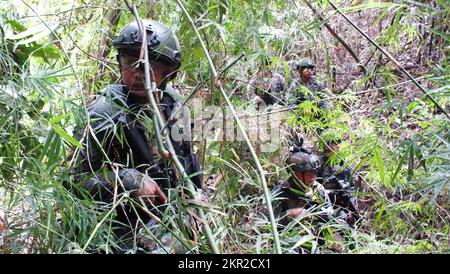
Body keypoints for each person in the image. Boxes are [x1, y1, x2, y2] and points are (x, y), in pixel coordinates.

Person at [67, 19, 202, 252]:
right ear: (119, 63)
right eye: (130, 62)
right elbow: (73, 185)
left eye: (150, 65)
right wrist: (128, 180)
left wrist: (195, 197)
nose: (139, 73)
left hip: (163, 217)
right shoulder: (102, 112)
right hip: (114, 225)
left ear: (169, 71)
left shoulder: (174, 104)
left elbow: (186, 160)